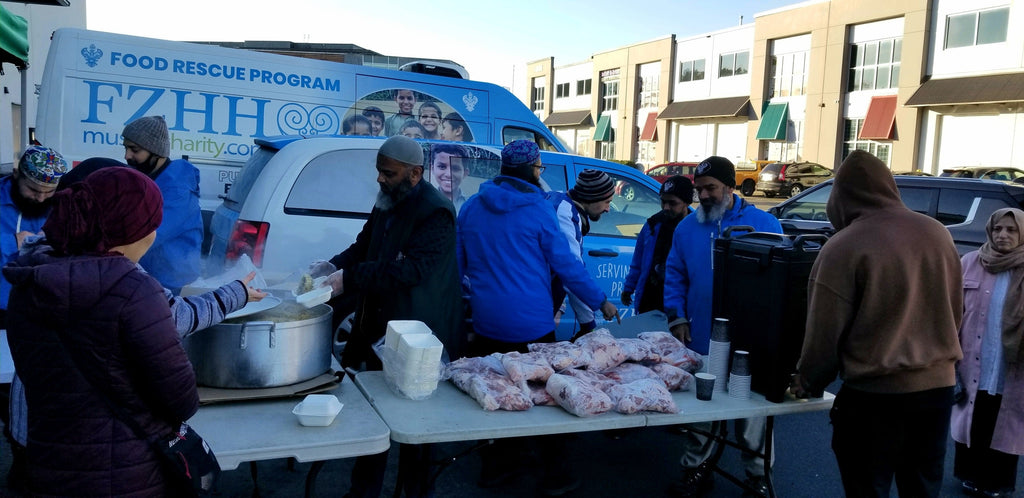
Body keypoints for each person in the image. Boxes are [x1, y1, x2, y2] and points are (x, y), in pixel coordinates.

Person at [4, 157, 267, 494]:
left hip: (43, 449)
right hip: (119, 468)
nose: (153, 235)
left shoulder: (28, 275)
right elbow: (181, 399)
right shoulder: (132, 289)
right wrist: (237, 293)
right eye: (149, 225)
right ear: (125, 227)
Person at [791, 150, 963, 498]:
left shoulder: (844, 245)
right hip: (937, 392)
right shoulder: (937, 233)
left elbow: (824, 333)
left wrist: (808, 380)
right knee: (923, 489)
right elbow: (955, 307)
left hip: (875, 398)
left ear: (840, 197)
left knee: (867, 488)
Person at [457, 139, 617, 496]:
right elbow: (567, 266)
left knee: (496, 394)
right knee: (546, 400)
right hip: (532, 325)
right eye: (540, 167)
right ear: (532, 170)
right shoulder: (539, 210)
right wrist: (600, 300)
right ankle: (554, 475)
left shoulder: (471, 208)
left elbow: (457, 266)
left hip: (487, 322)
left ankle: (497, 469)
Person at [307, 135, 462, 498]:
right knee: (372, 415)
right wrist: (332, 266)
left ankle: (416, 493)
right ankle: (363, 492)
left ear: (415, 174)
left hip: (417, 334)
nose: (380, 178)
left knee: (416, 426)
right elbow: (364, 246)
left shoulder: (436, 212)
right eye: (379, 171)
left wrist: (349, 279)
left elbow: (411, 270)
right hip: (378, 323)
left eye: (388, 173)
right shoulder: (387, 199)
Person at [664, 156, 782, 497]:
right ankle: (696, 469)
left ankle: (758, 476)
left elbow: (780, 280)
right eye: (699, 189)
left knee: (753, 410)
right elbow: (675, 276)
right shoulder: (686, 228)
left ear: (730, 186)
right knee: (701, 409)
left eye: (711, 188)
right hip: (701, 334)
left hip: (750, 338)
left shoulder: (764, 224)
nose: (703, 195)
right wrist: (677, 316)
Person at [950, 207, 1024, 498]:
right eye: (997, 229)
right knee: (974, 415)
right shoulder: (970, 262)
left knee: (1005, 421)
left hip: (1012, 363)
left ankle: (998, 482)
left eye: (1011, 230)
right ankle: (969, 476)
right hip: (973, 357)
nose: (1003, 235)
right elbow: (953, 312)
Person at [122, 115, 203, 294]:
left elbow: (150, 234)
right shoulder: (146, 178)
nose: (127, 155)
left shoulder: (177, 190)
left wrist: (109, 258)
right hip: (146, 275)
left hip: (171, 280)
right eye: (126, 148)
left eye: (134, 149)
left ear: (156, 151)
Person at [547, 169, 616, 337]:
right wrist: (592, 319)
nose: (608, 209)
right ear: (591, 198)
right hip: (533, 307)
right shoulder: (564, 213)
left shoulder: (564, 204)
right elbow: (571, 270)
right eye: (607, 202)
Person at [621, 175, 693, 314]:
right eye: (663, 202)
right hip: (650, 300)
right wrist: (629, 288)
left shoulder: (694, 229)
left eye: (672, 203)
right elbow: (638, 261)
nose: (666, 207)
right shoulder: (652, 225)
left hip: (681, 304)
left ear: (687, 202)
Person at [429, 143, 469, 211]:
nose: (449, 174)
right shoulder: (423, 201)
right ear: (432, 169)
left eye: (455, 168)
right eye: (442, 167)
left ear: (465, 173)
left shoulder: (471, 204)